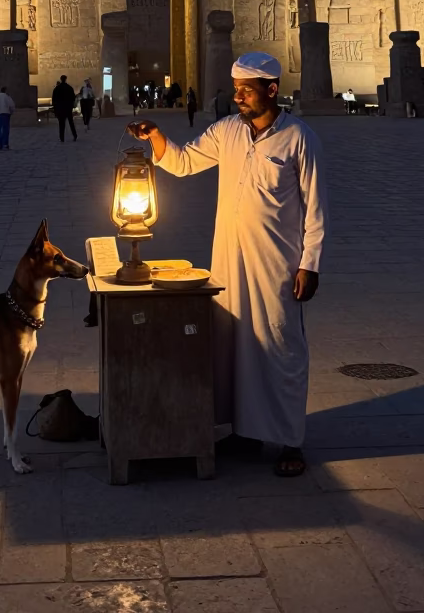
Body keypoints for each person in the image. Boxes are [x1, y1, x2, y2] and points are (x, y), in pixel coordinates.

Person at [128, 50, 328, 478]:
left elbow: (316, 210)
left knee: (279, 348)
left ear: (271, 90)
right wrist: (157, 138)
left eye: (246, 90)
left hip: (277, 265)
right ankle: (244, 430)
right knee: (232, 345)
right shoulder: (227, 132)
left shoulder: (299, 138)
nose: (238, 97)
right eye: (235, 89)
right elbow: (183, 163)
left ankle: (290, 440)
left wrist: (309, 264)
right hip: (228, 260)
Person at [52, 75, 77, 142]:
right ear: (66, 79)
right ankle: (75, 135)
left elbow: (54, 100)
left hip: (60, 108)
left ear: (60, 79)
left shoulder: (57, 88)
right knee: (71, 122)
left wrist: (55, 109)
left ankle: (62, 138)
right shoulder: (69, 88)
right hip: (68, 108)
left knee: (61, 124)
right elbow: (73, 98)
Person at [0, 85, 15, 150]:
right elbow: (11, 105)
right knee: (5, 129)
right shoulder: (7, 96)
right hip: (6, 113)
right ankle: (5, 144)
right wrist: (12, 111)